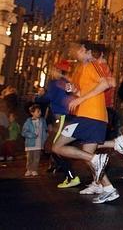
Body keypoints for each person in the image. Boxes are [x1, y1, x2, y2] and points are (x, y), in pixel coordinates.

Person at [52, 41, 120, 204]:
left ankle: (108, 151)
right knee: (88, 158)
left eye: (80, 49)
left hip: (90, 115)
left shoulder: (92, 65)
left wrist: (80, 98)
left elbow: (104, 84)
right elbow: (86, 90)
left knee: (57, 147)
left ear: (87, 51)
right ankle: (109, 188)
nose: (77, 52)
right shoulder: (81, 69)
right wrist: (74, 91)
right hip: (88, 115)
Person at [36, 59, 81, 188]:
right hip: (66, 117)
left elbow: (48, 98)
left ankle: (71, 175)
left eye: (53, 69)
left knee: (54, 147)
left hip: (61, 118)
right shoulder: (67, 83)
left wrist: (39, 97)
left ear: (57, 70)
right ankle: (69, 174)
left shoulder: (55, 83)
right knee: (54, 147)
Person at [21, 104, 48, 177]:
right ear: (32, 113)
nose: (40, 113)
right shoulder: (28, 122)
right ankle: (29, 169)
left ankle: (34, 170)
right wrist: (31, 135)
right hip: (30, 143)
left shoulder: (42, 121)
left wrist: (45, 139)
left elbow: (45, 131)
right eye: (38, 111)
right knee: (29, 157)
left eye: (40, 111)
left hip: (39, 143)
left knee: (36, 157)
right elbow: (24, 132)